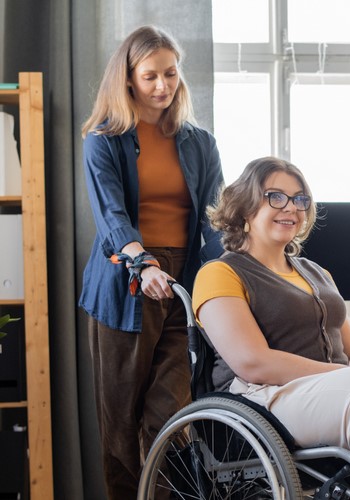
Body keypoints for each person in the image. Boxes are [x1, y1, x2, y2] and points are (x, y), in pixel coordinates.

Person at [192, 156, 350, 499]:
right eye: (276, 197)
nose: (291, 208)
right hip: (263, 397)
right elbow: (252, 362)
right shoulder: (220, 274)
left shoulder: (316, 272)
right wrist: (348, 374)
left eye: (300, 199)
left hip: (336, 390)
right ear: (246, 208)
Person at [79, 25, 224, 499]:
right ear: (127, 79)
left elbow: (214, 219)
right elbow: (111, 216)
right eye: (150, 77)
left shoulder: (199, 142)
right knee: (121, 427)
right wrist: (142, 263)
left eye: (170, 74)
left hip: (183, 284)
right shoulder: (104, 139)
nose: (162, 86)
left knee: (172, 420)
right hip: (127, 282)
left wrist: (226, 278)